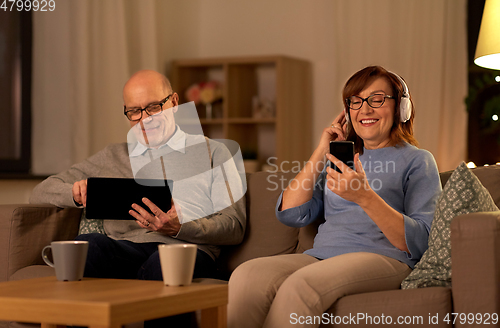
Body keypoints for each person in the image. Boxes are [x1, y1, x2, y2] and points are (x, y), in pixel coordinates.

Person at [227, 66, 442, 328]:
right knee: (247, 275)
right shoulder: (339, 160)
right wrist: (321, 151)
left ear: (401, 108)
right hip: (322, 256)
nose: (365, 109)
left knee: (301, 286)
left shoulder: (418, 160)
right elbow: (291, 213)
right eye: (356, 101)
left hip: (386, 258)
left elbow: (422, 241)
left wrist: (365, 197)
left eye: (377, 99)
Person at [30, 69, 246, 283]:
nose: (145, 119)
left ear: (175, 102)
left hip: (187, 249)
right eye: (134, 111)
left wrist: (180, 227)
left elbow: (234, 226)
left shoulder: (215, 153)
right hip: (126, 250)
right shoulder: (112, 156)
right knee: (89, 245)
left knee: (163, 263)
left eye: (153, 107)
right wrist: (75, 193)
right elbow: (40, 192)